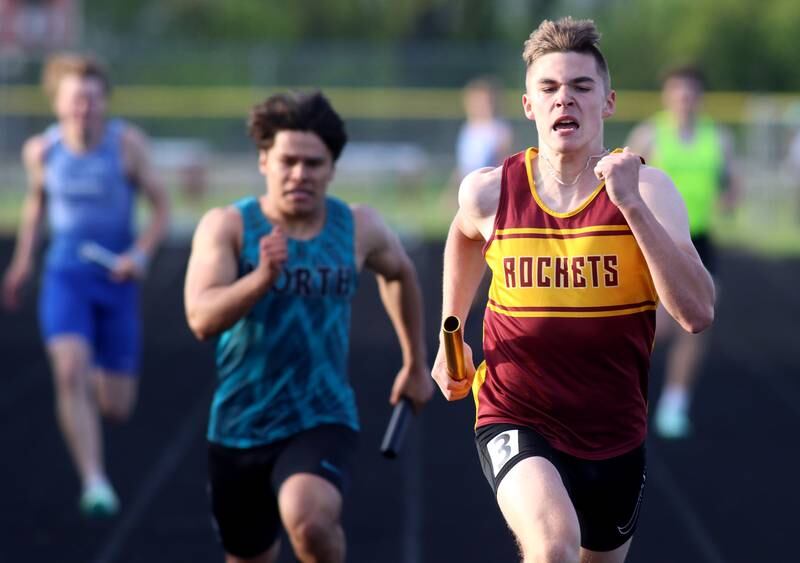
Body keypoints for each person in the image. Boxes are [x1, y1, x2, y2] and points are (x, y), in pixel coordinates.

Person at [431, 17, 714, 563]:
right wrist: (453, 329)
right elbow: (463, 233)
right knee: (551, 545)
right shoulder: (491, 192)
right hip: (515, 411)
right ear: (529, 105)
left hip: (613, 428)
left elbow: (697, 312)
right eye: (550, 88)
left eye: (582, 87)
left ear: (608, 102)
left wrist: (630, 204)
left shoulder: (648, 191)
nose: (566, 100)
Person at [183, 91, 433, 563]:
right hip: (241, 423)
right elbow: (200, 318)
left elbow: (400, 274)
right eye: (288, 161)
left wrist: (415, 363)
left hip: (321, 415)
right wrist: (260, 279)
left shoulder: (357, 226)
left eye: (313, 163)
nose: (300, 173)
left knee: (311, 521)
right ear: (264, 161)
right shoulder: (229, 227)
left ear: (331, 169)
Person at [1, 53, 170, 516]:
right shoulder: (43, 150)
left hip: (116, 279)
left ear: (105, 103)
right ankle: (94, 481)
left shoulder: (126, 145)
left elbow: (161, 207)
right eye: (76, 100)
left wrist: (139, 255)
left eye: (93, 100)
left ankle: (97, 380)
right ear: (57, 104)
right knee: (69, 370)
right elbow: (36, 206)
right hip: (65, 277)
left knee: (116, 407)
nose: (85, 109)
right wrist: (22, 263)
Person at [626, 64, 739, 439]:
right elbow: (621, 180)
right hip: (656, 240)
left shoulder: (717, 138)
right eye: (678, 92)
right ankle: (623, 389)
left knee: (699, 322)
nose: (684, 99)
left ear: (700, 97)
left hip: (699, 241)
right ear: (667, 96)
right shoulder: (649, 134)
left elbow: (731, 180)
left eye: (691, 93)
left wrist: (728, 196)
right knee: (656, 324)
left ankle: (675, 404)